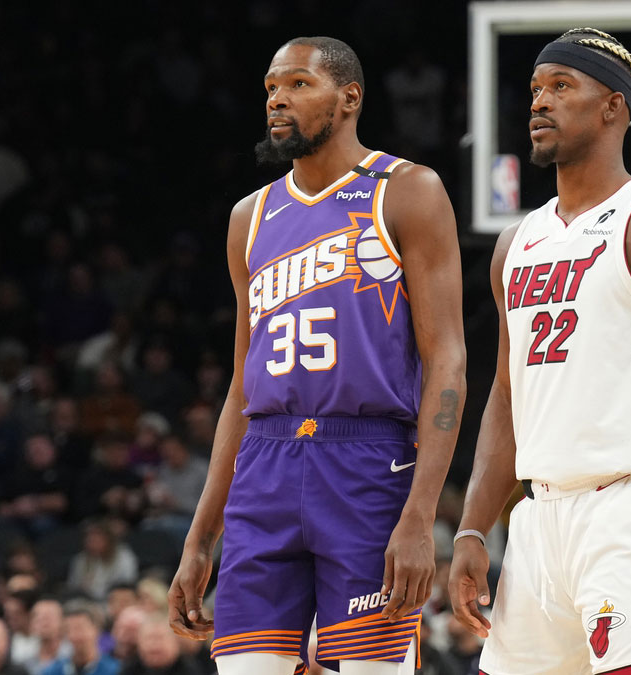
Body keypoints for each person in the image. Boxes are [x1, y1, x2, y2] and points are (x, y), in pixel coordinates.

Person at [166, 36, 465, 675]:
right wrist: (199, 538)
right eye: (272, 87)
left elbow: (448, 363)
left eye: (299, 84)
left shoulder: (406, 190)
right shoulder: (250, 217)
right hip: (265, 468)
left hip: (366, 462)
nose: (278, 99)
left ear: (349, 98)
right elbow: (241, 391)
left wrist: (422, 515)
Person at [448, 28, 631, 675]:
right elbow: (506, 393)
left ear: (613, 107)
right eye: (534, 90)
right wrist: (473, 526)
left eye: (560, 86)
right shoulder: (514, 243)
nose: (539, 103)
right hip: (538, 517)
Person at [39, 602, 118, 675]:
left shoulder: (115, 670)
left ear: (96, 629)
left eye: (80, 628)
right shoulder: (52, 671)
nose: (74, 636)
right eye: (68, 630)